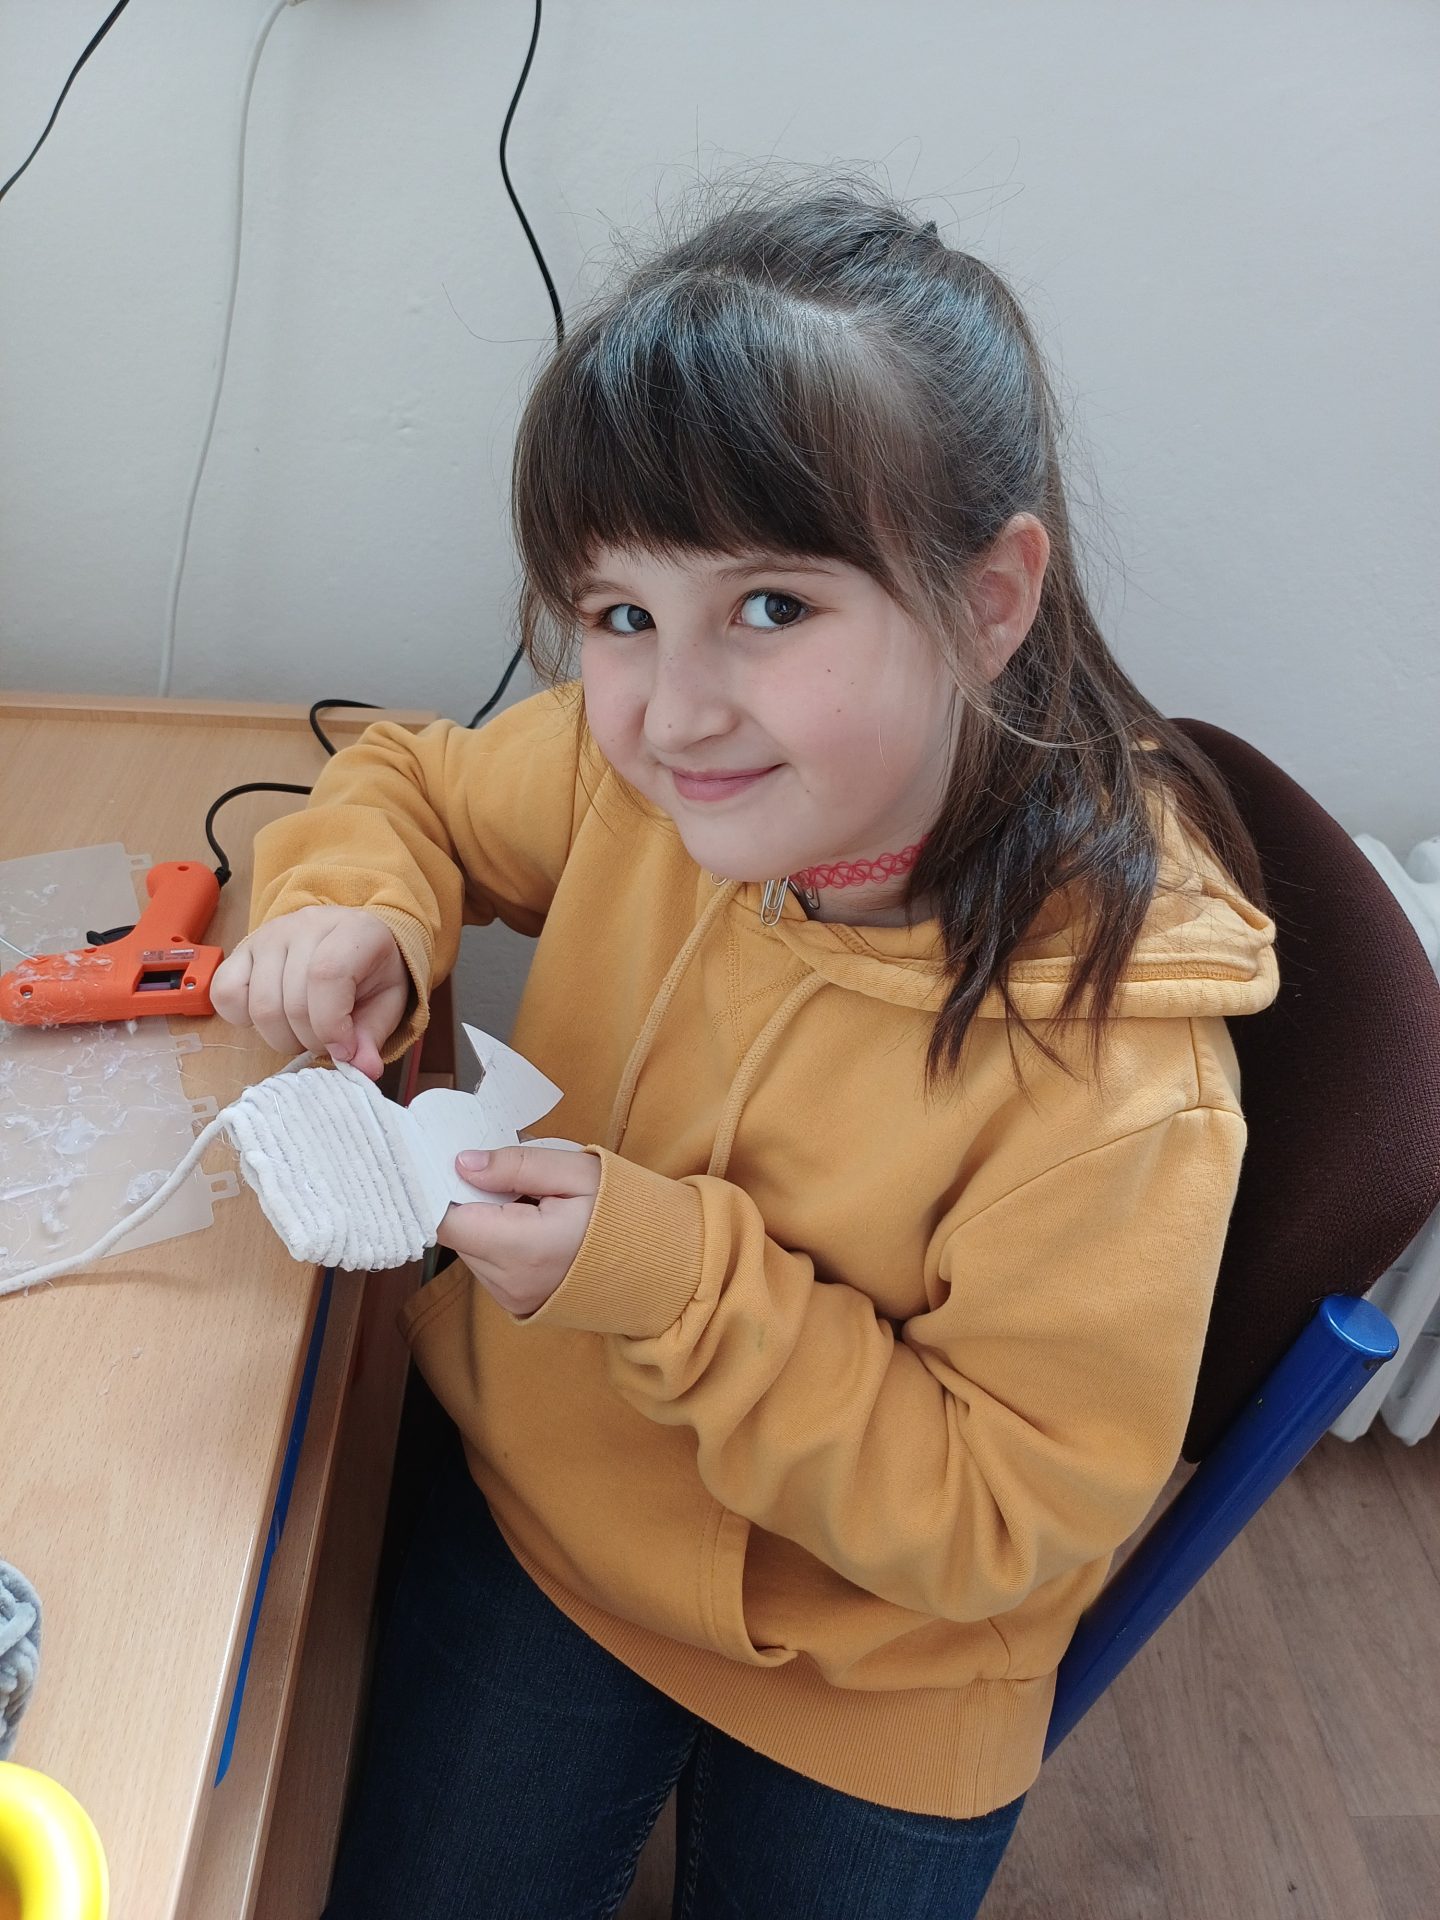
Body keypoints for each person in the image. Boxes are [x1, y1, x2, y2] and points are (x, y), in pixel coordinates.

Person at [211, 170, 1278, 1919]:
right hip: (560, 1522)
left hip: (886, 1663)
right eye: (619, 614)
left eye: (773, 608)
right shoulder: (640, 772)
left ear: (991, 599)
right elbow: (409, 784)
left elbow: (999, 1519)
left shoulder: (1121, 1085)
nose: (675, 709)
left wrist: (672, 1280)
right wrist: (361, 913)